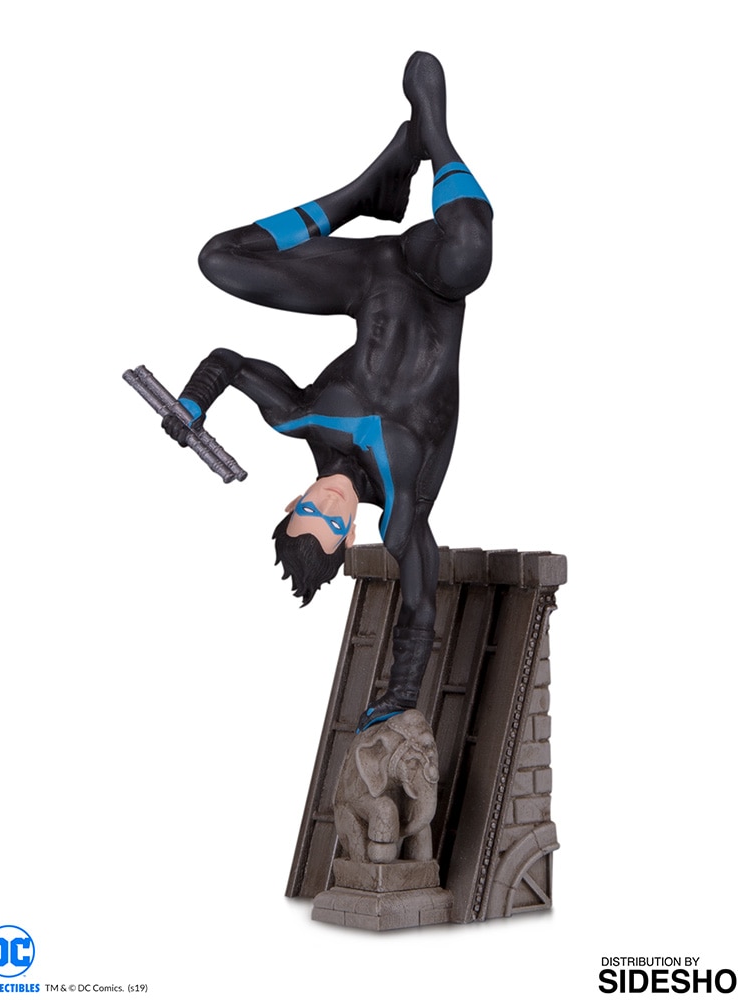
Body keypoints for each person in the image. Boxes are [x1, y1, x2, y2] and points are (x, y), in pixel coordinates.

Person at [163, 52, 492, 731]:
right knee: (470, 254)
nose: (333, 506)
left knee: (219, 260)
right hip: (435, 279)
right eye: (338, 525)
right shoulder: (401, 508)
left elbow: (227, 361)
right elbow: (419, 607)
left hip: (364, 279)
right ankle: (433, 136)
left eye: (313, 509)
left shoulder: (298, 419)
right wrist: (399, 695)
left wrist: (192, 405)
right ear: (352, 536)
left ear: (294, 500)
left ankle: (362, 193)